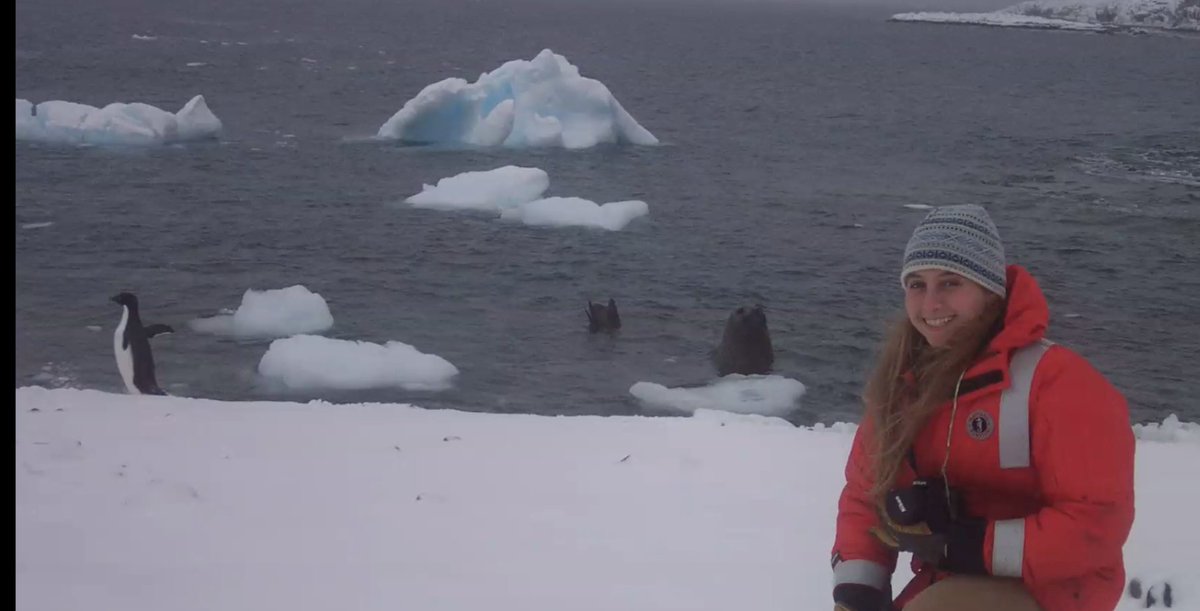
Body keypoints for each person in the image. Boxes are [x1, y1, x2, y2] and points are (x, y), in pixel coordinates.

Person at [830, 204, 1135, 611]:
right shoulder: (903, 385)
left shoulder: (1060, 384)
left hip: (1055, 588)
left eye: (950, 283)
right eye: (917, 285)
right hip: (948, 580)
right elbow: (865, 497)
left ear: (990, 292)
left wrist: (973, 546)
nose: (930, 304)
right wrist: (858, 591)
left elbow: (1096, 524)